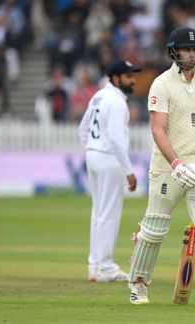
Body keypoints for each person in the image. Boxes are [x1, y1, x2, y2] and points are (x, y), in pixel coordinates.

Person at [127, 26, 195, 308]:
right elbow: (158, 130)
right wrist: (175, 164)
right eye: (185, 49)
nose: (191, 53)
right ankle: (138, 283)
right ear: (174, 52)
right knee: (155, 228)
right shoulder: (161, 84)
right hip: (168, 165)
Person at [78, 60, 140, 282]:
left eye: (133, 75)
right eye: (128, 76)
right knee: (109, 214)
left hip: (94, 156)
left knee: (99, 213)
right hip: (108, 159)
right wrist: (128, 171)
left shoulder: (99, 96)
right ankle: (104, 266)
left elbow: (83, 129)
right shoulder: (116, 102)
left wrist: (92, 149)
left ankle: (95, 265)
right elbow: (115, 139)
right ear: (115, 78)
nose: (133, 80)